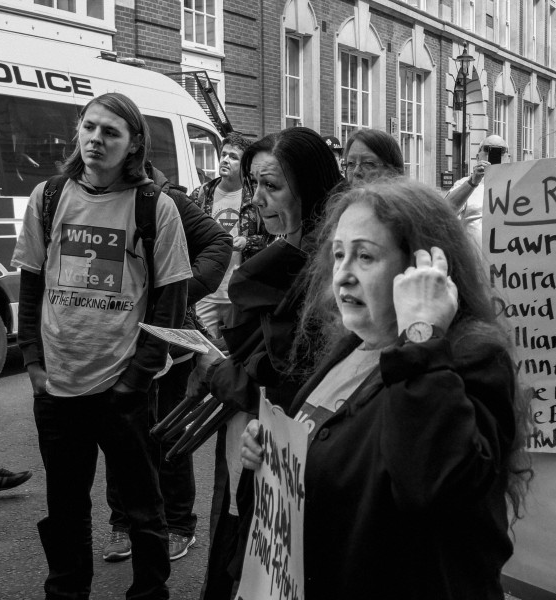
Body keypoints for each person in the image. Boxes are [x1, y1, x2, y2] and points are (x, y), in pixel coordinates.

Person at [237, 179, 530, 599]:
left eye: (365, 256)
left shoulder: (467, 357)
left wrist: (423, 336)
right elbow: (336, 455)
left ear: (421, 269)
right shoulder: (353, 347)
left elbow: (432, 488)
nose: (343, 274)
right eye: (339, 254)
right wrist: (272, 451)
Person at [13, 92, 192, 600]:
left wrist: (136, 380)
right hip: (58, 386)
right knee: (65, 504)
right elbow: (31, 285)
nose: (95, 139)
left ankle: (150, 592)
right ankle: (66, 590)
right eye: (89, 128)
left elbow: (169, 304)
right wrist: (33, 362)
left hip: (123, 388)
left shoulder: (155, 206)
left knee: (142, 506)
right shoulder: (48, 197)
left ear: (134, 143)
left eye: (110, 132)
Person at [197, 127, 344, 600]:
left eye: (272, 186)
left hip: (308, 466)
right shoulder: (278, 253)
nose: (257, 198)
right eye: (253, 184)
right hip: (262, 453)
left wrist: (223, 372)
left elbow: (295, 379)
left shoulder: (329, 273)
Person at [102, 162, 233, 564]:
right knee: (121, 436)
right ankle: (122, 524)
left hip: (170, 345)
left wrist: (177, 292)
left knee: (168, 436)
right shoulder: (90, 202)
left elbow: (219, 243)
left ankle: (178, 525)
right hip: (115, 345)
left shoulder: (168, 199)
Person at [189, 132, 261, 339]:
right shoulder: (201, 195)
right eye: (223, 154)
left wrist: (247, 242)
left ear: (245, 165)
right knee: (204, 355)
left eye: (233, 157)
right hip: (205, 293)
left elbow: (273, 240)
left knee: (236, 356)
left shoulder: (255, 198)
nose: (225, 160)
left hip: (239, 295)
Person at [443, 134, 508, 239]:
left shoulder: (519, 184)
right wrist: (473, 183)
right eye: (487, 149)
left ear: (508, 158)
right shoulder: (465, 184)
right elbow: (444, 212)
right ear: (478, 157)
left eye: (502, 151)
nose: (495, 154)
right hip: (475, 255)